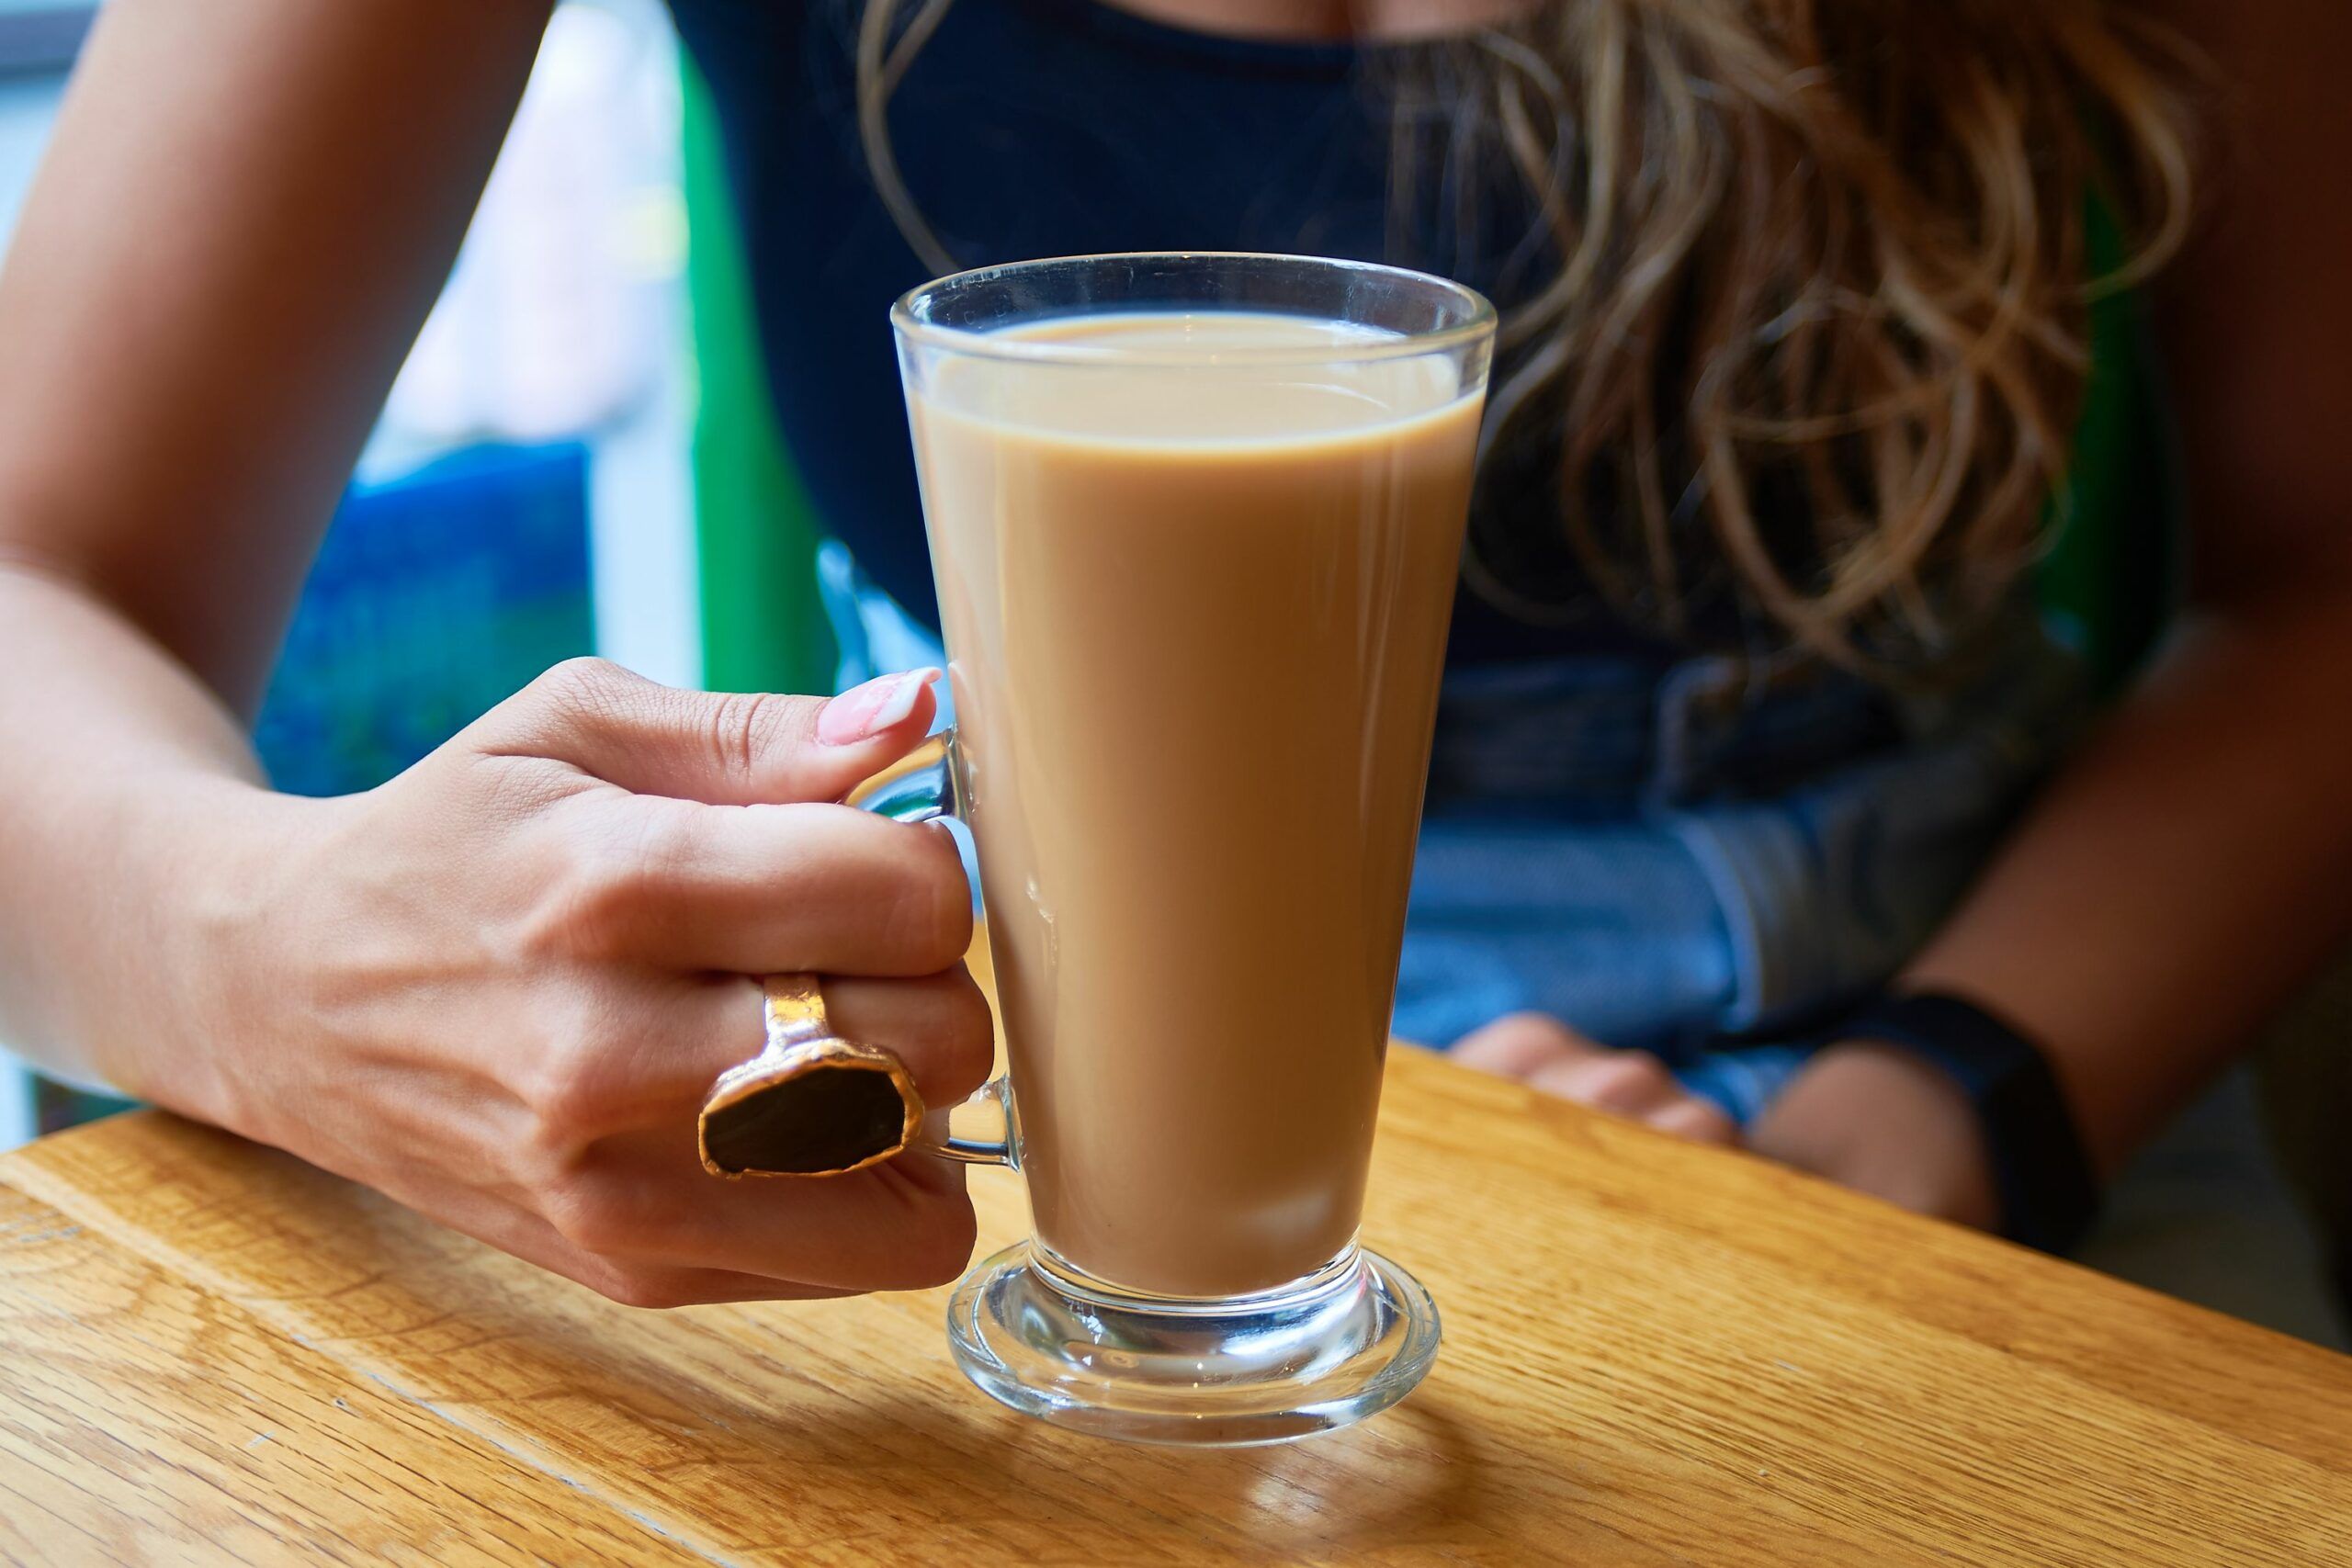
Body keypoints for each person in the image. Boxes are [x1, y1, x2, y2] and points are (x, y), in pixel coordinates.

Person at [0, 0, 2346, 1330]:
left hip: (1949, 1086)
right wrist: (277, 959)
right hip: (1006, 1177)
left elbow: (2318, 584)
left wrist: (1922, 1114)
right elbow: (36, 570)